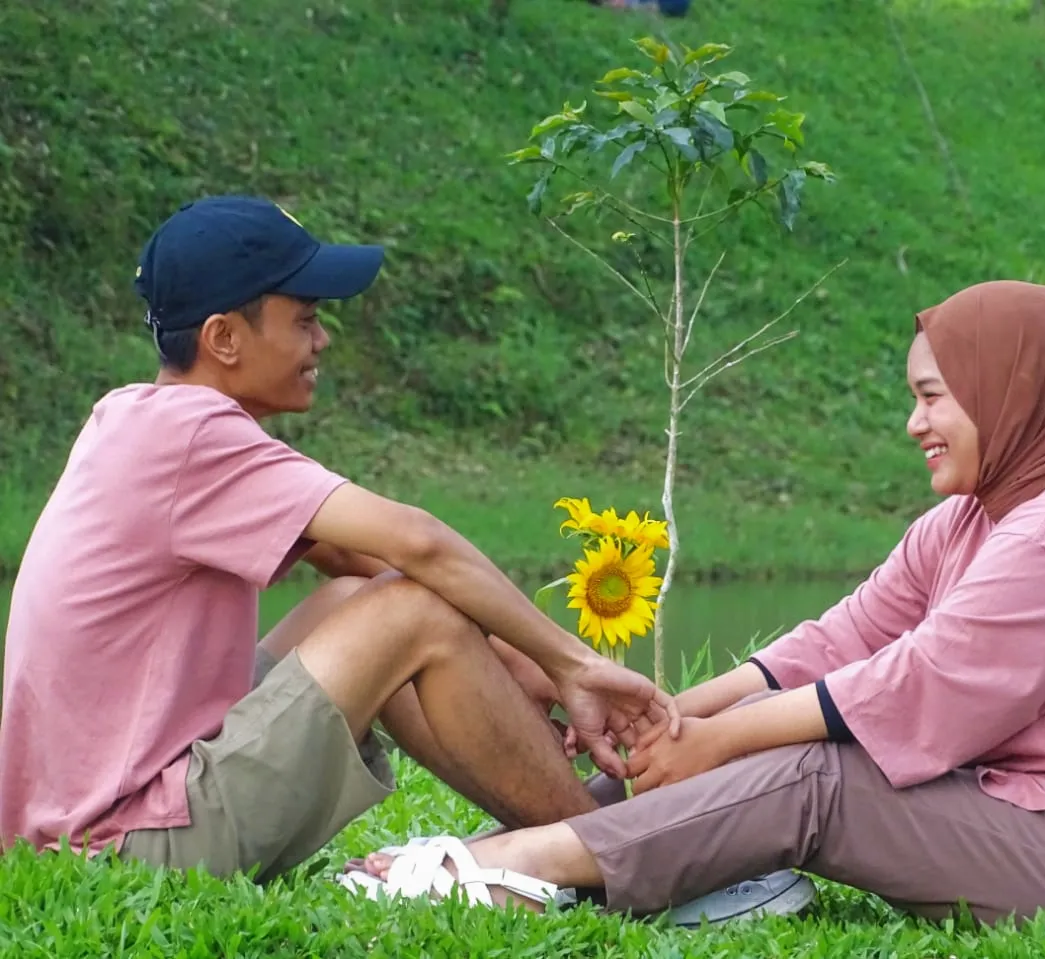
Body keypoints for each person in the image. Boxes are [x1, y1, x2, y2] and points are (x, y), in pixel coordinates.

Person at [341, 280, 1045, 933]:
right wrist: (674, 715)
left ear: (1012, 392)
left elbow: (910, 688)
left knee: (820, 772)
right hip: (1026, 811)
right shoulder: (975, 517)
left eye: (933, 398)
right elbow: (843, 638)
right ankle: (522, 848)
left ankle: (518, 864)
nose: (915, 424)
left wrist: (719, 739)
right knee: (774, 743)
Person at [0, 195, 689, 886]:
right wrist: (572, 663)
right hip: (123, 848)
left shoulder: (136, 417)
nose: (322, 340)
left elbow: (355, 556)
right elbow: (417, 542)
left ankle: (572, 833)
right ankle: (630, 861)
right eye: (304, 319)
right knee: (409, 613)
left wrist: (523, 662)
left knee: (359, 598)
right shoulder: (191, 435)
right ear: (224, 338)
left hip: (92, 825)